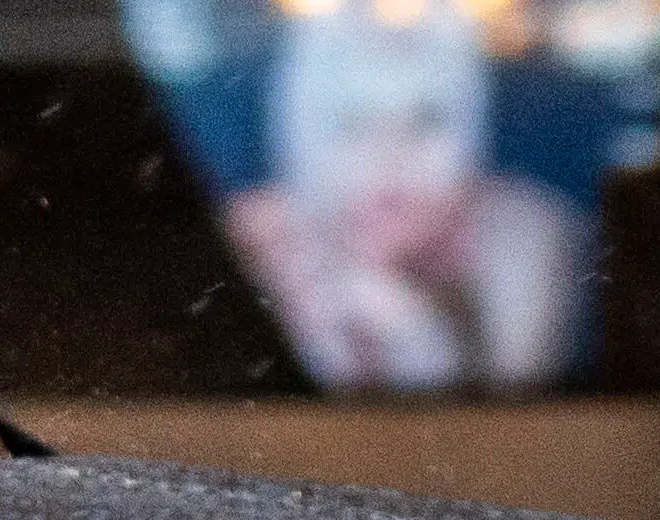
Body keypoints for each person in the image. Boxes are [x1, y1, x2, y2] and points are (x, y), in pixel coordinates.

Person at [125, 0, 605, 396]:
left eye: (426, 119)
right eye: (352, 123)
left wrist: (412, 330)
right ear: (302, 134)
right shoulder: (258, 237)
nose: (389, 157)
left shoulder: (522, 226)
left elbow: (522, 440)